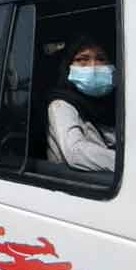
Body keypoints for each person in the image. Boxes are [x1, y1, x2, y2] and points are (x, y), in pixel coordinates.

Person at [46, 35, 117, 172]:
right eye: (82, 60)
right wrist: (126, 162)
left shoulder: (116, 106)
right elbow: (76, 152)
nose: (93, 67)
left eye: (101, 59)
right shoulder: (61, 105)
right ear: (68, 66)